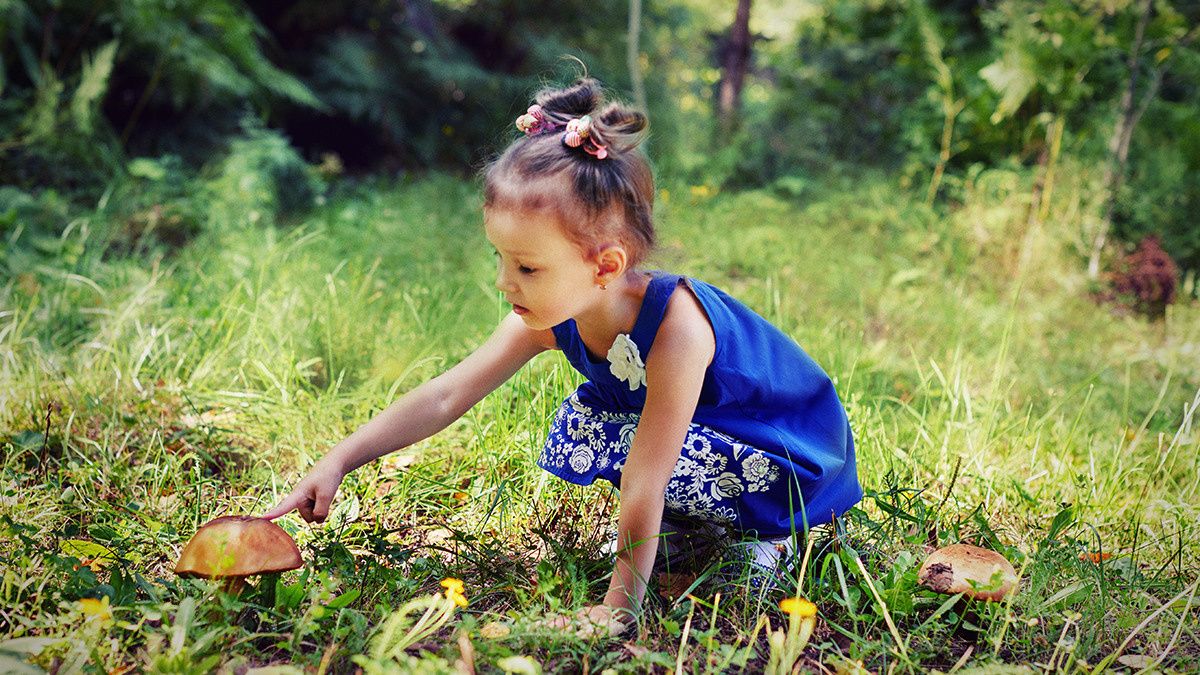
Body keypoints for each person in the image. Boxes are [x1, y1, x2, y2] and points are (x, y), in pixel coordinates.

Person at [264, 77, 861, 634]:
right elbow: (447, 394)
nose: (504, 282)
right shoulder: (553, 314)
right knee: (588, 425)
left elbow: (646, 475)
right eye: (500, 258)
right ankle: (694, 527)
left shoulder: (679, 329)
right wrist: (341, 458)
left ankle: (771, 535)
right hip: (711, 441)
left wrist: (617, 608)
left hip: (790, 456)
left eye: (526, 267)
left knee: (636, 453)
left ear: (605, 266)